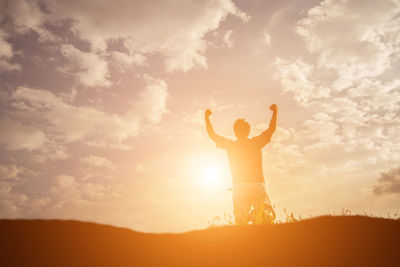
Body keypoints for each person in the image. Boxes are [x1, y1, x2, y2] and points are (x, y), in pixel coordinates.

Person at [205, 104, 277, 225]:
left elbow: (212, 135)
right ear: (248, 131)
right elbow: (271, 130)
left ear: (235, 132)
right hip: (257, 185)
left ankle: (248, 226)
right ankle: (257, 223)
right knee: (264, 221)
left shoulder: (231, 145)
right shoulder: (256, 143)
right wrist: (275, 111)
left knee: (241, 223)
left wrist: (206, 117)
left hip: (240, 187)